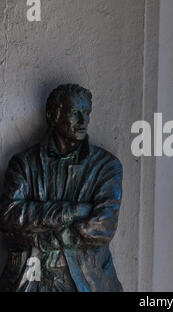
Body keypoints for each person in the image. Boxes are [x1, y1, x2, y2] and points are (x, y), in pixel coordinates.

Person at [0, 84, 123, 292]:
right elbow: (8, 217)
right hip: (31, 278)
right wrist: (71, 211)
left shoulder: (106, 166)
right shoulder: (24, 163)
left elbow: (102, 227)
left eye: (87, 113)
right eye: (75, 113)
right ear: (52, 115)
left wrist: (39, 235)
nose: (84, 121)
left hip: (85, 280)